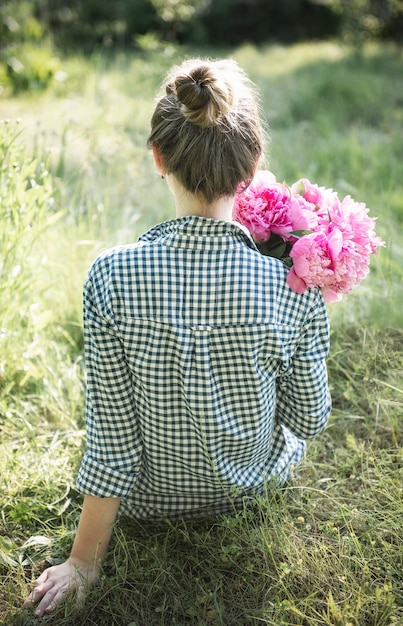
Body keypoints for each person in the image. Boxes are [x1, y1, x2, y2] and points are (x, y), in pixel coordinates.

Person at [24, 58, 331, 617]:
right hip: (248, 489)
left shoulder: (111, 275)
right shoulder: (294, 283)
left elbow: (113, 440)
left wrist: (83, 564)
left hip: (146, 500)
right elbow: (308, 420)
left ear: (157, 157)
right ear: (253, 165)